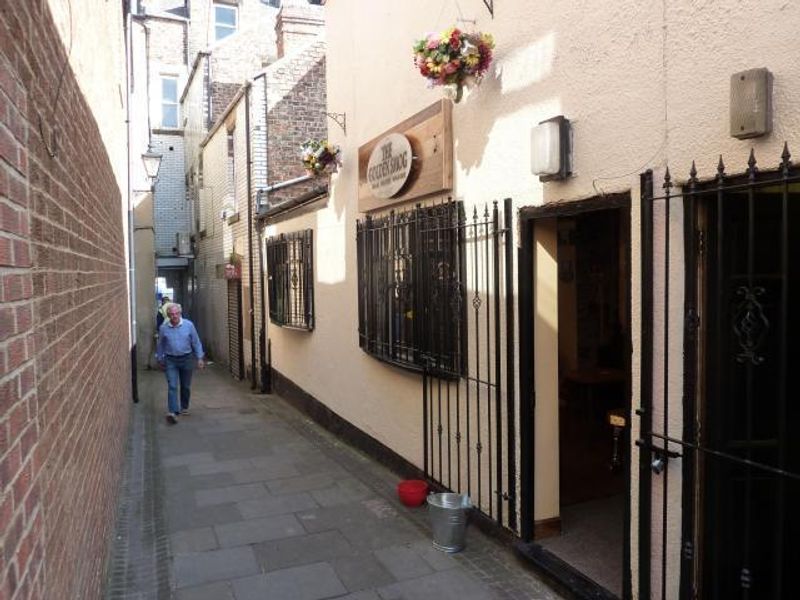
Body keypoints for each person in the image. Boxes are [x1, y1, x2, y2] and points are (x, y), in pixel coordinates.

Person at [155, 302, 206, 424]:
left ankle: (184, 407)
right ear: (168, 315)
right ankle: (173, 412)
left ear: (180, 313)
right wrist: (159, 358)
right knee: (172, 385)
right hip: (170, 360)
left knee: (185, 386)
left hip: (187, 358)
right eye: (171, 314)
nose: (174, 316)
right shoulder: (164, 328)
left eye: (176, 313)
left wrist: (199, 358)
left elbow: (196, 342)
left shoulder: (189, 325)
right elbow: (160, 344)